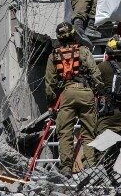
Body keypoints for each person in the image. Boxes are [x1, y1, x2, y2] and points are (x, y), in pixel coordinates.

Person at [44, 22, 104, 176]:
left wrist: (51, 106)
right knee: (89, 131)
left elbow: (50, 83)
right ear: (73, 34)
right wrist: (101, 93)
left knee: (65, 133)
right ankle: (90, 166)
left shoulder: (53, 56)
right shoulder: (83, 51)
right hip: (86, 93)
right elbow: (95, 74)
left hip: (68, 94)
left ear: (59, 38)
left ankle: (65, 168)